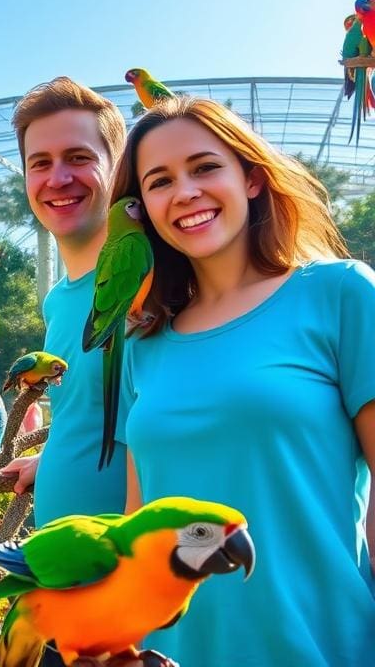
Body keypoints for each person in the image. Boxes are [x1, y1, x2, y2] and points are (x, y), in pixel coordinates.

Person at [114, 96, 375, 666]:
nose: (184, 191)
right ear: (143, 210)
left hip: (321, 646)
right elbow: (139, 524)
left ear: (252, 179)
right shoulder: (144, 342)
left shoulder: (341, 294)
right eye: (159, 182)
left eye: (205, 167)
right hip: (170, 651)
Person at [0, 77, 129, 526]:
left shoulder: (148, 288)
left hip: (126, 573)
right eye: (40, 163)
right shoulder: (58, 301)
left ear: (119, 168)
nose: (57, 179)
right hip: (63, 573)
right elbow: (92, 413)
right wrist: (52, 461)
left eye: (79, 158)